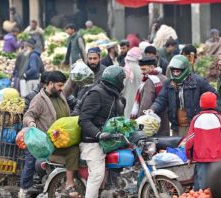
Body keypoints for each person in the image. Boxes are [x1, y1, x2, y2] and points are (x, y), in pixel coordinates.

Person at [21, 71, 79, 198]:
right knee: (74, 151)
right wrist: (31, 124)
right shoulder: (39, 100)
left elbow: (70, 84)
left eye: (62, 86)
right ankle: (69, 184)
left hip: (65, 138)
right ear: (50, 84)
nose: (61, 88)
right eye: (59, 85)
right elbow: (28, 115)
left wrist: (77, 69)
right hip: (51, 144)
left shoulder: (60, 94)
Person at [79, 66, 126, 198]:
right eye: (122, 79)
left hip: (109, 140)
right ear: (116, 79)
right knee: (97, 175)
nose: (123, 82)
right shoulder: (96, 93)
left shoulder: (115, 95)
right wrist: (98, 134)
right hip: (92, 142)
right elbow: (84, 120)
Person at [148, 55, 215, 136]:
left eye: (178, 71)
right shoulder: (168, 83)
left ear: (184, 70)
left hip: (194, 125)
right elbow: (161, 99)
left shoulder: (198, 82)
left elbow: (213, 96)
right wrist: (153, 109)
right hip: (176, 126)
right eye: (173, 71)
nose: (175, 74)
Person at [185, 92, 221, 190]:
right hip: (219, 160)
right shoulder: (220, 119)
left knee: (202, 190)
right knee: (218, 188)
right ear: (215, 104)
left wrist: (189, 157)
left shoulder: (196, 119)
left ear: (200, 104)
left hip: (201, 160)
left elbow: (189, 141)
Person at [130, 56, 170, 135]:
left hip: (151, 125)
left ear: (152, 67)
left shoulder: (149, 81)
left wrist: (138, 121)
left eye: (144, 69)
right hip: (164, 121)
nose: (142, 72)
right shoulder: (164, 78)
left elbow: (145, 105)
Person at [122, 47, 142, 118]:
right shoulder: (142, 70)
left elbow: (121, 88)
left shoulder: (125, 70)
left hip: (126, 101)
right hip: (139, 101)